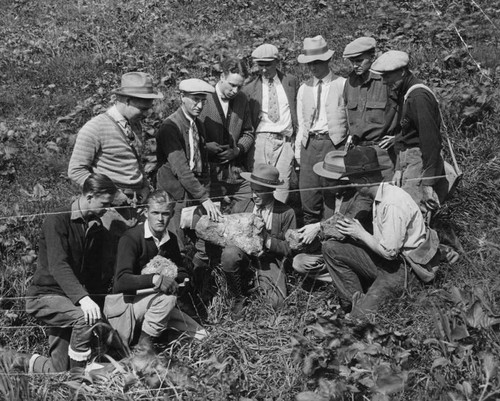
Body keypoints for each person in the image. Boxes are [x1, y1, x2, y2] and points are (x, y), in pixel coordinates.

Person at [15, 174, 117, 373]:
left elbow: (94, 276)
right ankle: (79, 381)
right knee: (82, 319)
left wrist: (98, 308)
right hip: (45, 295)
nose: (108, 209)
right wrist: (83, 299)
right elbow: (58, 265)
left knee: (58, 371)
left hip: (69, 300)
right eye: (105, 203)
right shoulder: (57, 219)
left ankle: (13, 359)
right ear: (89, 196)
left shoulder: (97, 229)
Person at [322, 146, 441, 317]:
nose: (353, 186)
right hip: (387, 260)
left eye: (353, 181)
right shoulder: (380, 196)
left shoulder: (391, 203)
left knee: (359, 320)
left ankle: (361, 312)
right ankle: (354, 303)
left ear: (363, 180)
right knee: (330, 248)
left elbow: (390, 253)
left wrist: (360, 233)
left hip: (405, 267)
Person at [104, 190, 207, 348]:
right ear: (146, 212)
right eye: (155, 213)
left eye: (165, 213)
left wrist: (181, 278)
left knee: (202, 336)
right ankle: (143, 349)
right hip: (128, 307)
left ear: (172, 214)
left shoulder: (170, 239)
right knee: (167, 299)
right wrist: (155, 279)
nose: (160, 219)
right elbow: (121, 282)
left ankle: (156, 339)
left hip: (158, 306)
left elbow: (179, 269)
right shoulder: (131, 238)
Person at [68, 72, 164, 237]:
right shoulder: (94, 128)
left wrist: (145, 188)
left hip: (136, 206)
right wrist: (110, 195)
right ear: (127, 100)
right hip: (109, 211)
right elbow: (76, 171)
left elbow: (135, 162)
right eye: (142, 108)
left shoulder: (135, 125)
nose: (147, 114)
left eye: (149, 108)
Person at [370, 50, 445, 214]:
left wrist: (427, 183)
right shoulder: (405, 93)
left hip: (419, 163)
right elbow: (405, 135)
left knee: (412, 214)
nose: (384, 81)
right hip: (407, 162)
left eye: (388, 76)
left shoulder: (418, 96)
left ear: (402, 72)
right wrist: (398, 169)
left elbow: (431, 141)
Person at [221, 164, 297, 318]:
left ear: (272, 190)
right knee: (229, 254)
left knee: (276, 303)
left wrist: (267, 241)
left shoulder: (286, 212)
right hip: (243, 257)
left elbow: (291, 249)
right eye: (253, 189)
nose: (255, 195)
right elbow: (229, 235)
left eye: (260, 191)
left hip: (270, 260)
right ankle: (238, 296)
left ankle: (259, 283)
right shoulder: (241, 206)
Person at [156, 78, 222, 252]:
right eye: (195, 100)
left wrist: (203, 192)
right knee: (174, 245)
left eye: (203, 101)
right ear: (182, 97)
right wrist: (204, 198)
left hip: (192, 192)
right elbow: (181, 169)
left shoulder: (198, 124)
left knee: (197, 243)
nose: (199, 106)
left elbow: (201, 160)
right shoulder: (170, 127)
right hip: (174, 194)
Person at [292, 151, 372, 282]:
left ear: (342, 181)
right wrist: (306, 237)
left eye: (327, 179)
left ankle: (354, 278)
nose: (322, 182)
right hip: (330, 250)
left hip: (355, 252)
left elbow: (346, 225)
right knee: (299, 262)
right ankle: (341, 277)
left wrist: (318, 227)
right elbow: (326, 225)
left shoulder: (362, 196)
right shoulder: (329, 195)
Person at [294, 35, 348, 225]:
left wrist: (346, 148)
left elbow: (349, 119)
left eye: (316, 62)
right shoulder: (304, 88)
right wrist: (298, 153)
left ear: (327, 60)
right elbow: (302, 123)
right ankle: (311, 244)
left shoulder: (342, 84)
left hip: (334, 144)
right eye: (309, 64)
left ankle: (330, 240)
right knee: (308, 193)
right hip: (309, 145)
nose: (313, 67)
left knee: (332, 193)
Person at [243, 43, 299, 203]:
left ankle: (278, 221)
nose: (264, 70)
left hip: (285, 141)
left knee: (282, 184)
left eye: (268, 65)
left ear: (277, 62)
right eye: (260, 65)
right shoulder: (249, 89)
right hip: (261, 140)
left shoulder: (291, 82)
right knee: (259, 183)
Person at [198, 57, 254, 209]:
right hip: (210, 174)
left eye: (239, 87)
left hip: (236, 174)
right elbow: (191, 135)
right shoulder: (203, 98)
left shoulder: (242, 99)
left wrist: (237, 150)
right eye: (232, 85)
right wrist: (205, 147)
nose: (235, 91)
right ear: (222, 77)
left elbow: (248, 133)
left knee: (248, 210)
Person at [342, 37, 398, 179]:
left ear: (372, 57)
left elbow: (406, 112)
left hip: (382, 152)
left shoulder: (386, 80)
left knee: (385, 196)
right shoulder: (350, 81)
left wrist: (398, 137)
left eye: (359, 61)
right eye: (352, 62)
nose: (355, 65)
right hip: (358, 152)